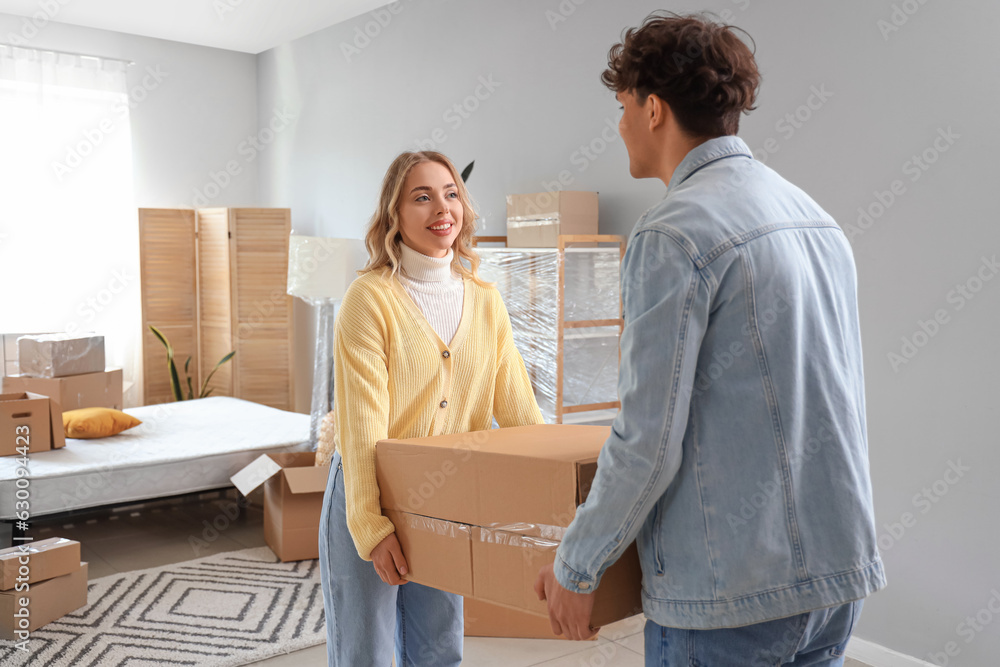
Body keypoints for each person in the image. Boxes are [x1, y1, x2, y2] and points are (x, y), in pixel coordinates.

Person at [534, 12, 886, 666]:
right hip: (836, 582)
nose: (618, 125)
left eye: (622, 106)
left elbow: (647, 440)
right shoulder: (816, 219)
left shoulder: (672, 233)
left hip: (730, 598)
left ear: (655, 109)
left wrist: (575, 566)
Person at [317, 150, 544, 666]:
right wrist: (372, 529)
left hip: (445, 503)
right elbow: (361, 432)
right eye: (421, 197)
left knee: (439, 651)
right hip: (366, 494)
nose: (442, 207)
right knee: (364, 655)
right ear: (394, 215)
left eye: (450, 193)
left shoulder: (486, 301)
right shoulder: (369, 299)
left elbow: (520, 415)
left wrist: (556, 500)